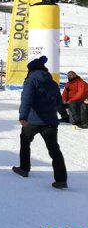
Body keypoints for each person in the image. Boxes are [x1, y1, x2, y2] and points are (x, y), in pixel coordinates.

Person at [12, 56, 68, 189]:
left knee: (25, 142)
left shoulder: (30, 80)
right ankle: (61, 180)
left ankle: (24, 169)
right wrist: (64, 115)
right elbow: (59, 101)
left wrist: (23, 117)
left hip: (32, 121)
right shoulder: (52, 83)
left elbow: (26, 99)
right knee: (54, 150)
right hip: (50, 122)